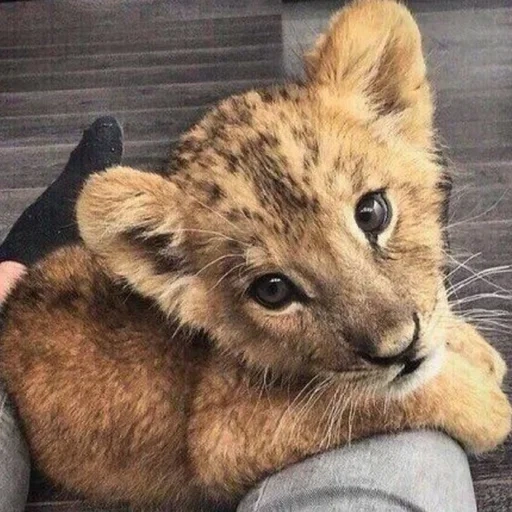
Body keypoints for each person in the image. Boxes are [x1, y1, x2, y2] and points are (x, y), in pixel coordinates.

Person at [0, 118, 478, 512]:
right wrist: (423, 399)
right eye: (273, 287)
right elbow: (223, 447)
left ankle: (15, 262)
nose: (395, 336)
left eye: (369, 214)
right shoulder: (223, 320)